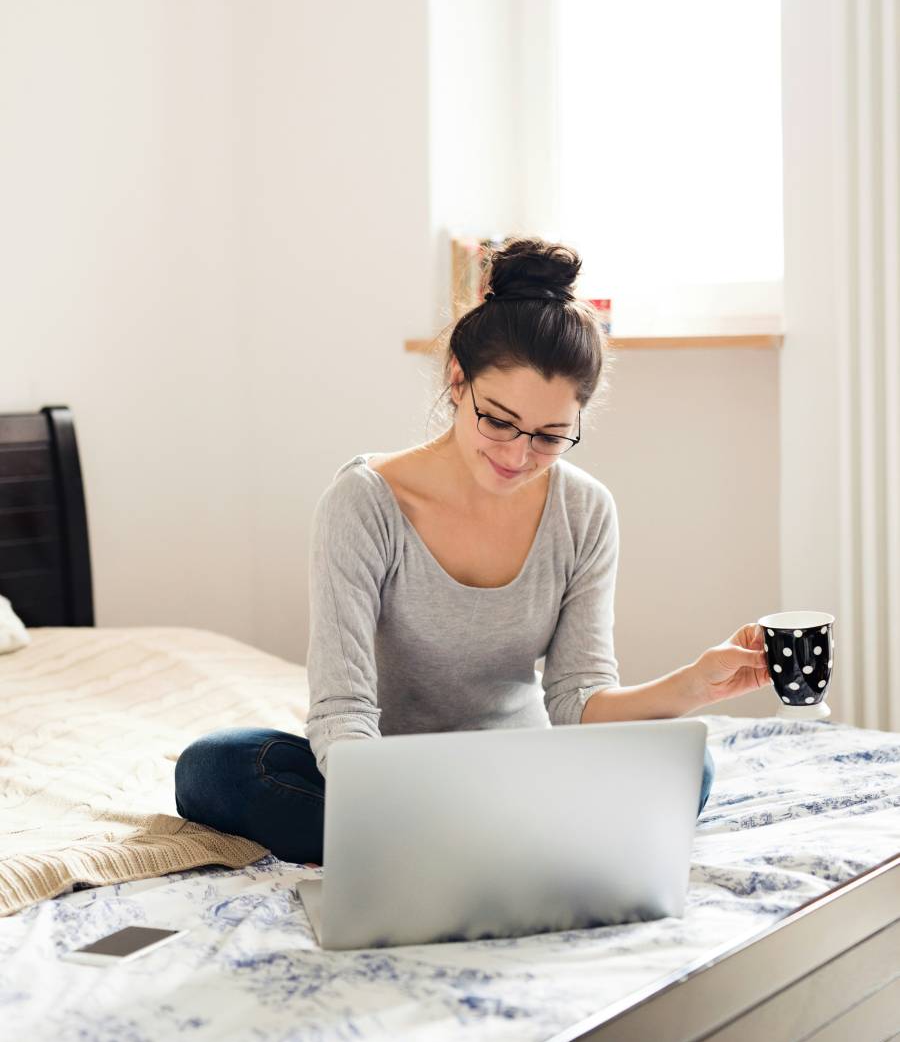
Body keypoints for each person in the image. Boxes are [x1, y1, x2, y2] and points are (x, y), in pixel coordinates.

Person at [175, 236, 772, 864]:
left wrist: (694, 686)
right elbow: (343, 709)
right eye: (499, 421)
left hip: (520, 769)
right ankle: (504, 845)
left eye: (549, 436)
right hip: (388, 776)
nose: (518, 455)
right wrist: (388, 798)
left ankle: (442, 849)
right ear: (457, 379)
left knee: (689, 763)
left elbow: (576, 700)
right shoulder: (363, 503)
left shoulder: (584, 511)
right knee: (217, 767)